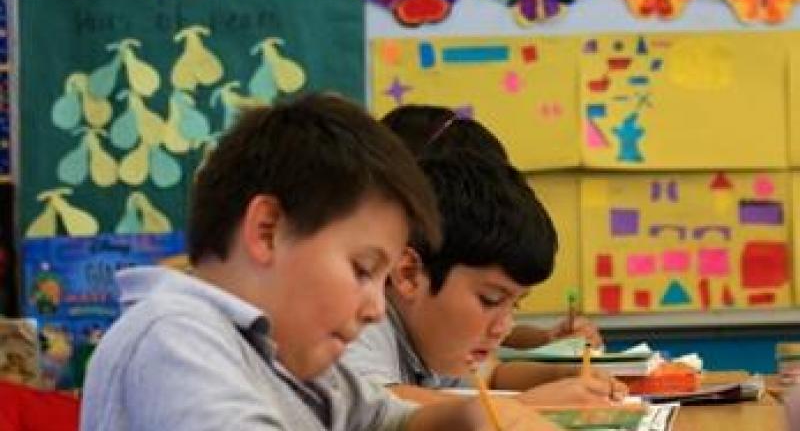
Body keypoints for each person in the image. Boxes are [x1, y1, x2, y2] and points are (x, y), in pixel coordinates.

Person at [81, 94, 558, 431]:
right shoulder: (175, 338)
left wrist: (468, 416)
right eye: (363, 269)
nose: (376, 309)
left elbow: (386, 418)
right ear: (268, 230)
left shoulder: (287, 355)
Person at [341, 151, 626, 406]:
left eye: (514, 305)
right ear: (409, 274)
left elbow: (491, 373)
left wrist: (566, 375)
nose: (504, 328)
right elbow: (375, 405)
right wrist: (522, 409)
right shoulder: (361, 324)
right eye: (490, 300)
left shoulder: (436, 339)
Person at [382, 104, 602, 349]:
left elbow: (488, 360)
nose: (503, 327)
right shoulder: (373, 316)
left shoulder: (431, 314)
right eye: (490, 299)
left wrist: (545, 341)